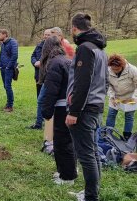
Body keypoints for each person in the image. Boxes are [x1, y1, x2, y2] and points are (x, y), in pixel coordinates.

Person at [65, 13, 108, 201]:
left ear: (74, 29)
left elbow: (83, 82)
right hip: (96, 105)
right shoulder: (100, 50)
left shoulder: (84, 49)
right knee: (93, 151)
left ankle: (91, 196)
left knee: (86, 154)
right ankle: (92, 191)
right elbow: (106, 81)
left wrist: (74, 111)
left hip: (84, 109)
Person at [40, 36, 77, 185]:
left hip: (62, 107)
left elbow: (51, 91)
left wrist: (46, 111)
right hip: (69, 106)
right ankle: (66, 170)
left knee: (62, 143)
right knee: (68, 141)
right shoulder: (66, 60)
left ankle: (67, 177)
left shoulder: (55, 64)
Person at [106, 54, 137, 140]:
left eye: (117, 69)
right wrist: (112, 97)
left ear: (122, 66)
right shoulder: (108, 70)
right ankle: (108, 135)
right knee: (111, 114)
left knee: (129, 116)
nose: (115, 70)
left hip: (130, 96)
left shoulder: (132, 70)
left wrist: (134, 97)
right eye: (113, 68)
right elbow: (108, 85)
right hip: (116, 96)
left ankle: (127, 136)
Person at [29, 29, 52, 129]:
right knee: (39, 97)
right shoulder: (39, 45)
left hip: (47, 77)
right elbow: (33, 55)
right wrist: (35, 62)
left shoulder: (52, 47)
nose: (46, 36)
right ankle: (40, 116)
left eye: (48, 35)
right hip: (38, 75)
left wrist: (41, 63)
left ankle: (43, 119)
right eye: (45, 34)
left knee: (44, 99)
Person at [0, 29, 18, 112]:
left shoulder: (12, 42)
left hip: (8, 69)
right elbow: (1, 54)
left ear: (5, 34)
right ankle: (8, 103)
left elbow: (15, 55)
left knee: (8, 86)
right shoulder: (3, 43)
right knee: (5, 86)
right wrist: (0, 64)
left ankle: (10, 106)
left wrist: (8, 67)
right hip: (3, 68)